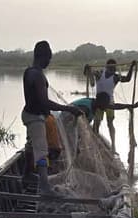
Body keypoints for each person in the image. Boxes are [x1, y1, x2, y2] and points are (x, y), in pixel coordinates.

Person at [22, 41, 83, 193]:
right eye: (48, 59)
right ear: (41, 56)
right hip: (35, 118)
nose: (49, 62)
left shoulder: (29, 71)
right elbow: (44, 101)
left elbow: (39, 100)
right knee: (42, 151)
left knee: (31, 146)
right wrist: (67, 108)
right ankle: (45, 188)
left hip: (30, 114)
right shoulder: (37, 75)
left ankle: (26, 176)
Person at [86, 59, 137, 151]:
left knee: (110, 123)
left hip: (109, 102)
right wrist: (88, 70)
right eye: (111, 67)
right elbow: (91, 80)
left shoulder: (115, 77)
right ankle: (95, 142)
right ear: (107, 67)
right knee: (97, 123)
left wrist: (131, 67)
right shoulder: (100, 73)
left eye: (114, 67)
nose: (113, 69)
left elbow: (127, 79)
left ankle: (113, 145)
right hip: (99, 102)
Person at [71, 92, 138, 124]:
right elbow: (73, 123)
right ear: (101, 102)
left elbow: (115, 106)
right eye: (105, 105)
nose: (106, 108)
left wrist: (133, 106)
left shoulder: (97, 104)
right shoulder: (85, 108)